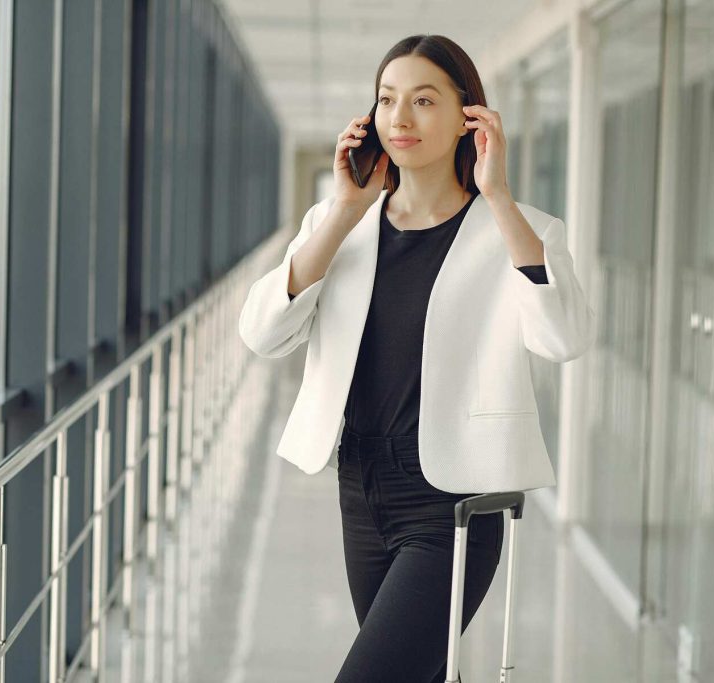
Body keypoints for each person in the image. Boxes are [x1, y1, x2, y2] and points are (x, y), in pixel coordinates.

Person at [239, 33, 595, 683]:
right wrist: (344, 210)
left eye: (424, 100)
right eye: (386, 99)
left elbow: (564, 338)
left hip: (455, 499)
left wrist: (498, 196)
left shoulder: (524, 228)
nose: (399, 118)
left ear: (469, 116)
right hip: (362, 485)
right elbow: (263, 333)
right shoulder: (340, 220)